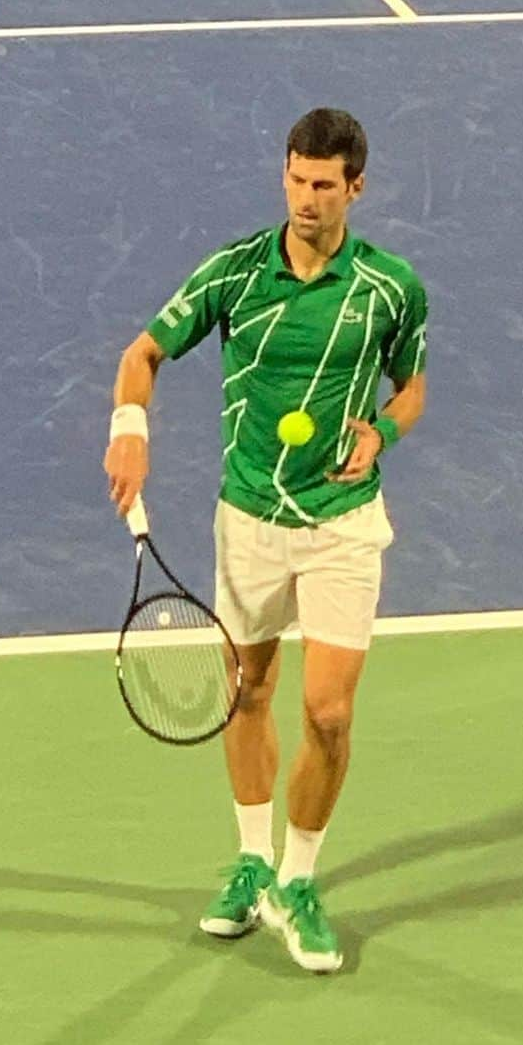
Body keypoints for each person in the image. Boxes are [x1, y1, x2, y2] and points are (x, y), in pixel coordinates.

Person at [103, 108, 427, 973]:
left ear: (356, 187)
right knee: (248, 691)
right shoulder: (236, 272)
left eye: (325, 185)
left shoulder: (391, 289)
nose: (307, 198)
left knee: (328, 710)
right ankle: (252, 859)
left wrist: (382, 435)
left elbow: (412, 387)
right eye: (296, 178)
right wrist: (128, 426)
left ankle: (300, 878)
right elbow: (142, 353)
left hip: (341, 523)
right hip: (248, 517)